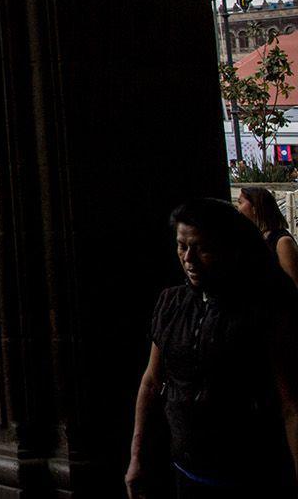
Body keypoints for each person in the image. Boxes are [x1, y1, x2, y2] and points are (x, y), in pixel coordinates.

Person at [128, 198, 298, 496]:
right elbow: (152, 382)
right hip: (186, 471)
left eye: (202, 248)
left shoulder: (262, 310)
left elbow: (290, 403)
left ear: (229, 249)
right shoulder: (171, 303)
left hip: (251, 474)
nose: (189, 258)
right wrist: (137, 458)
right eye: (182, 246)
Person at [238, 186, 298, 288]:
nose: (237, 208)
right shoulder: (255, 239)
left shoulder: (282, 242)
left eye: (240, 202)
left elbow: (294, 284)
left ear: (255, 207)